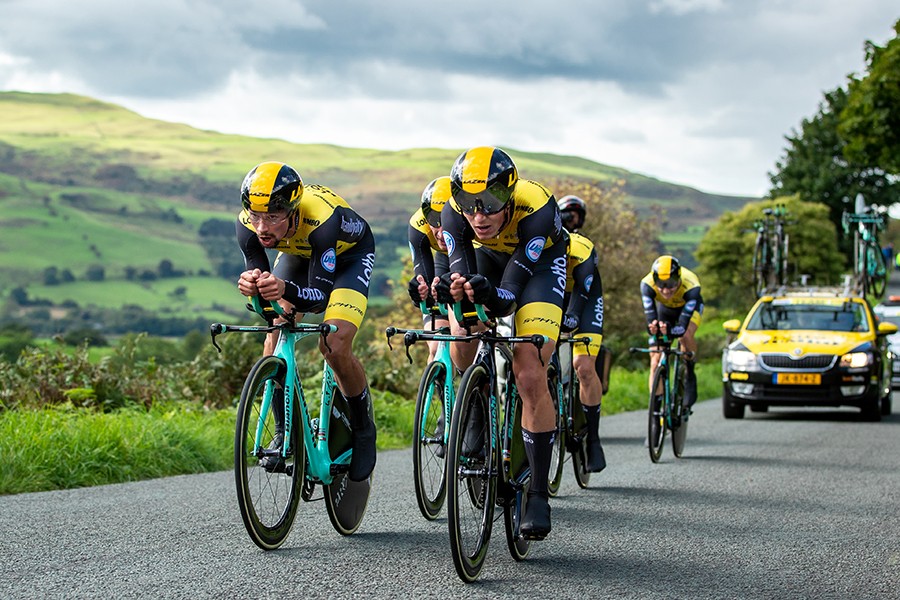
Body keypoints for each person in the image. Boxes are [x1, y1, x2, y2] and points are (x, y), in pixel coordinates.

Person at [435, 146, 566, 540]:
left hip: (539, 268)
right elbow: (461, 277)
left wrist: (490, 295)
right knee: (462, 333)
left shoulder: (537, 208)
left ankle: (538, 493)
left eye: (491, 204)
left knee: (528, 372)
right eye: (468, 205)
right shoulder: (452, 213)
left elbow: (508, 294)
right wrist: (457, 291)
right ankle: (474, 404)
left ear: (509, 195)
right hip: (490, 260)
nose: (479, 216)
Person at [235, 161, 376, 482]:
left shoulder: (321, 220)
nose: (261, 228)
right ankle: (285, 431)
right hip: (300, 257)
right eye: (256, 216)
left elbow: (319, 299)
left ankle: (364, 429)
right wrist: (254, 289)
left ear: (293, 210)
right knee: (275, 331)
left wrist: (283, 288)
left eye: (272, 218)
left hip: (348, 259)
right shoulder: (247, 224)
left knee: (335, 343)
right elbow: (266, 299)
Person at [558, 196, 606, 473]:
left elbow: (582, 292)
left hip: (585, 300)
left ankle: (594, 440)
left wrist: (573, 316)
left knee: (583, 367)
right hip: (553, 297)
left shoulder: (582, 248)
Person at [640, 255, 703, 411]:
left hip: (688, 308)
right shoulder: (646, 284)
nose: (666, 290)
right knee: (655, 360)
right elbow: (651, 321)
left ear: (679, 278)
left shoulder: (692, 286)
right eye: (661, 285)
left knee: (685, 336)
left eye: (671, 285)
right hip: (665, 310)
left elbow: (681, 327)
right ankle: (655, 409)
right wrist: (653, 328)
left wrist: (671, 330)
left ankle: (689, 369)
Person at [407, 176, 453, 362]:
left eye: (447, 222)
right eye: (435, 221)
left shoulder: (473, 224)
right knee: (436, 346)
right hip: (444, 260)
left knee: (468, 337)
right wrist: (420, 291)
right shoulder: (418, 224)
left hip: (478, 256)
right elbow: (423, 281)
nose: (441, 233)